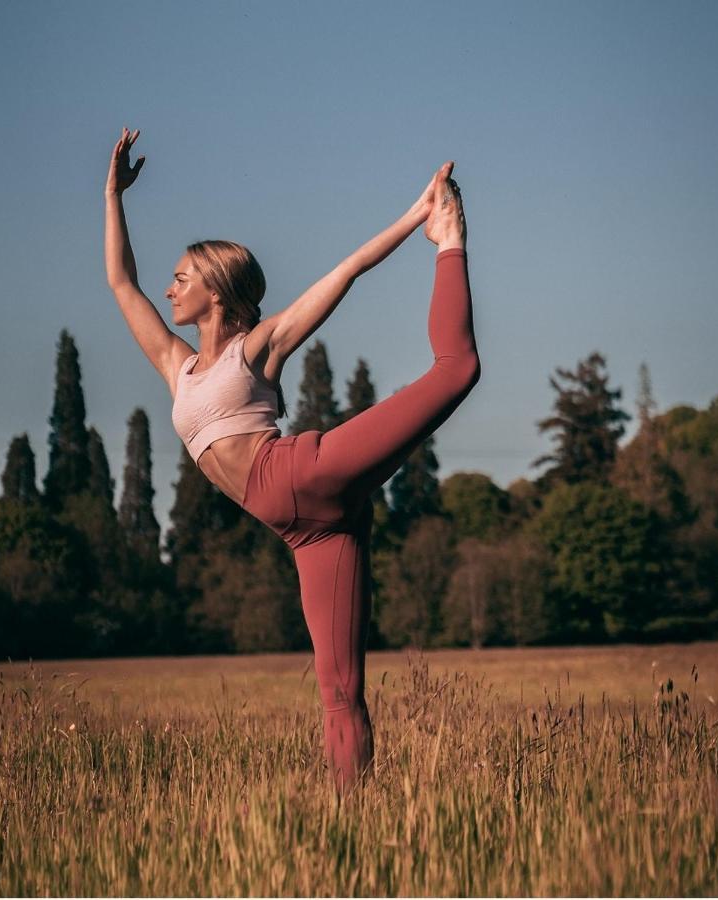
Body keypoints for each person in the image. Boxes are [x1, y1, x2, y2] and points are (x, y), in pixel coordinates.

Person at [104, 127, 479, 795]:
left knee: (456, 369)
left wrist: (421, 216)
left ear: (215, 291)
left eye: (182, 278)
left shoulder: (259, 346)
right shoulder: (177, 366)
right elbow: (120, 281)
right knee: (338, 690)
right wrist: (113, 195)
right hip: (306, 531)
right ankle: (352, 822)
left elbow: (346, 271)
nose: (169, 290)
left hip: (302, 474)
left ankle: (451, 244)